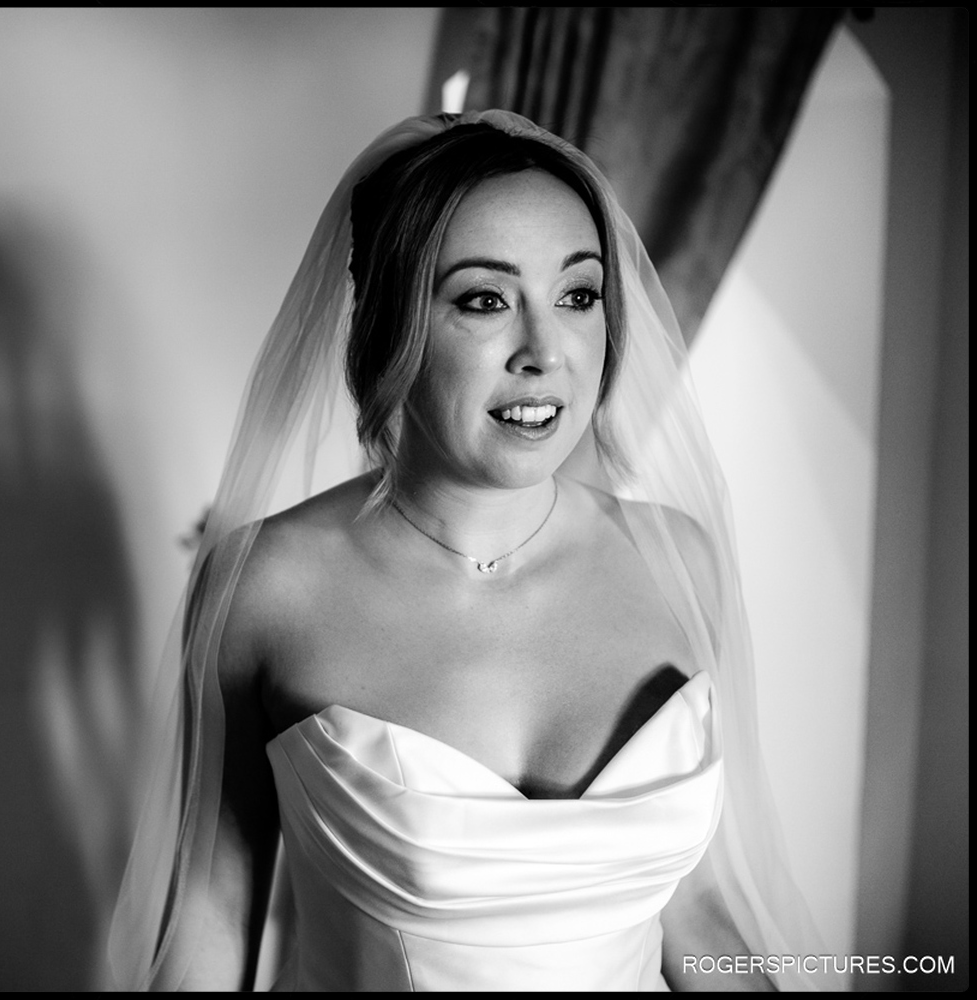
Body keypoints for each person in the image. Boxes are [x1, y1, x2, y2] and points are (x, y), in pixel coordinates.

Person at [109, 111, 837, 991]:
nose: (544, 353)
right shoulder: (267, 587)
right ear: (387, 328)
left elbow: (697, 911)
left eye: (577, 296)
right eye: (484, 300)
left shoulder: (679, 560)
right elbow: (212, 914)